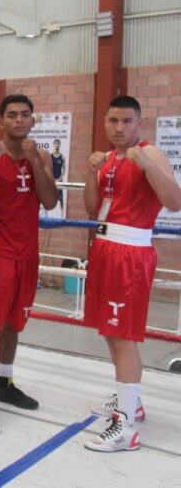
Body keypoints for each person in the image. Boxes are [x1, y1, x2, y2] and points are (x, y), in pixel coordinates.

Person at [83, 95, 181, 452]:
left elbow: (174, 202)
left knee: (123, 336)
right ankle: (131, 402)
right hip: (105, 248)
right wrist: (90, 173)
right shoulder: (108, 159)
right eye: (113, 121)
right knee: (111, 331)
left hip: (130, 253)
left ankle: (125, 429)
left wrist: (146, 164)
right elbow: (93, 208)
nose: (119, 128)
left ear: (139, 123)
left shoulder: (148, 152)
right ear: (105, 122)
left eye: (126, 121)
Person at [0, 94, 58, 436]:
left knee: (13, 324)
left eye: (25, 115)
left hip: (27, 255)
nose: (20, 120)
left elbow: (50, 201)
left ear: (33, 120)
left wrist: (35, 162)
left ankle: (3, 382)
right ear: (2, 120)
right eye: (13, 115)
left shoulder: (41, 156)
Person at [51, 139, 66, 209]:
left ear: (60, 145)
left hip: (59, 181)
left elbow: (64, 170)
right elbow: (48, 169)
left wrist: (60, 178)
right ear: (53, 145)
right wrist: (52, 178)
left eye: (58, 144)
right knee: (50, 197)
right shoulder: (50, 156)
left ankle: (62, 211)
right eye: (55, 144)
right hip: (52, 181)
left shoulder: (62, 157)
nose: (56, 145)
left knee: (60, 199)